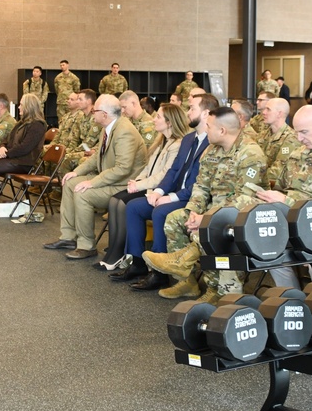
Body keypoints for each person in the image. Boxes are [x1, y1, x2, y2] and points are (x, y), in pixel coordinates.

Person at [142, 107, 268, 304]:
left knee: (211, 229)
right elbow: (201, 186)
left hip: (239, 216)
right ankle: (187, 282)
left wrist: (209, 218)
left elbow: (246, 198)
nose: (205, 130)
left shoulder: (250, 154)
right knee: (174, 220)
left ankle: (219, 289)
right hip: (211, 212)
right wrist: (193, 211)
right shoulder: (212, 149)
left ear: (222, 131)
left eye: (208, 126)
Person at [113, 94, 215, 295]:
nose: (187, 112)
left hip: (193, 199)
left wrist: (171, 197)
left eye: (191, 108)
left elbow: (201, 183)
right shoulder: (188, 139)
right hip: (175, 193)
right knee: (133, 207)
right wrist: (159, 191)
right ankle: (138, 262)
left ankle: (159, 273)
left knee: (160, 212)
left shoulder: (212, 143)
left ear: (206, 114)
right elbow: (174, 171)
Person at [44, 95, 147, 260]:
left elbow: (122, 169)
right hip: (112, 180)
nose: (93, 114)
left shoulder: (124, 131)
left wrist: (91, 182)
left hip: (124, 185)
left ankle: (86, 246)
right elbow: (96, 157)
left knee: (83, 193)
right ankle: (68, 237)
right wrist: (77, 172)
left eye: (95, 111)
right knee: (71, 182)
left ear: (105, 114)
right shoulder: (109, 128)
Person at [255, 105, 312, 288]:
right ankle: (291, 295)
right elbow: (279, 186)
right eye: (297, 132)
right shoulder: (298, 154)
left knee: (267, 235)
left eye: (304, 132)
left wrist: (285, 201)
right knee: (263, 234)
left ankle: (302, 297)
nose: (299, 138)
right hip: (284, 217)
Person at [101, 104, 189, 286]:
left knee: (126, 204)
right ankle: (135, 260)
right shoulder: (161, 141)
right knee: (120, 201)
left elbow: (165, 175)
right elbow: (148, 168)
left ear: (169, 122)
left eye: (158, 117)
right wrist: (136, 181)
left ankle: (153, 268)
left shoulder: (178, 144)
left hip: (163, 191)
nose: (154, 119)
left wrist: (140, 185)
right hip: (149, 188)